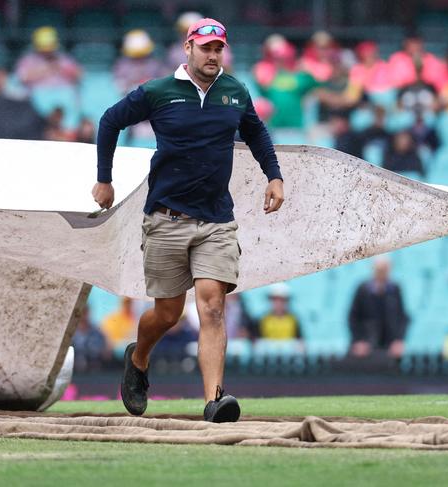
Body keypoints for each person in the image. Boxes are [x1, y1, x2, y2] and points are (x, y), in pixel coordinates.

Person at [92, 18, 284, 423]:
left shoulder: (235, 92)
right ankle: (139, 357)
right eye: (206, 48)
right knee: (167, 314)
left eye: (219, 49)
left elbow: (257, 134)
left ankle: (215, 400)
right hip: (166, 218)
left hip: (216, 220)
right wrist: (104, 180)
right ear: (188, 48)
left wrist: (275, 176)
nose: (213, 55)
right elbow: (110, 121)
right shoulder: (159, 91)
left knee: (212, 306)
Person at [348, 257, 408, 359]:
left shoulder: (395, 289)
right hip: (366, 345)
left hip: (389, 346)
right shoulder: (363, 289)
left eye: (384, 269)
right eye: (379, 269)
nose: (381, 272)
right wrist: (358, 340)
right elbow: (353, 317)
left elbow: (402, 317)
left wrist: (399, 340)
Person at [15, 26, 82, 89]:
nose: (47, 52)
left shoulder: (63, 58)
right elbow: (22, 78)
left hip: (63, 92)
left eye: (49, 48)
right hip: (36, 94)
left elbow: (78, 76)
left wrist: (60, 68)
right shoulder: (28, 60)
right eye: (44, 49)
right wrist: (44, 70)